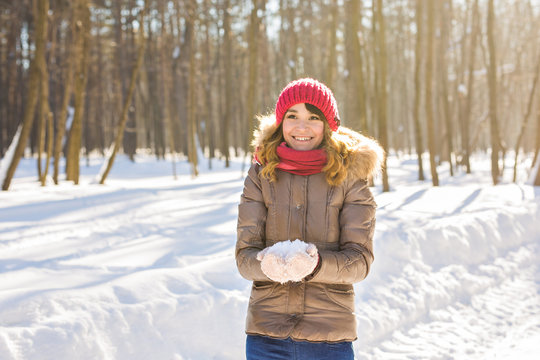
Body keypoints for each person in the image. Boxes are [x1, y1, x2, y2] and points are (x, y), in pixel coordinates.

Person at [236, 78, 384, 360]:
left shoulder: (350, 175)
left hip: (329, 338)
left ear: (328, 125)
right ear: (281, 122)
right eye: (292, 116)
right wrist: (266, 263)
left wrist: (315, 265)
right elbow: (244, 257)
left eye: (313, 117)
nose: (301, 127)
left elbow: (360, 261)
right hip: (267, 338)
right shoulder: (261, 175)